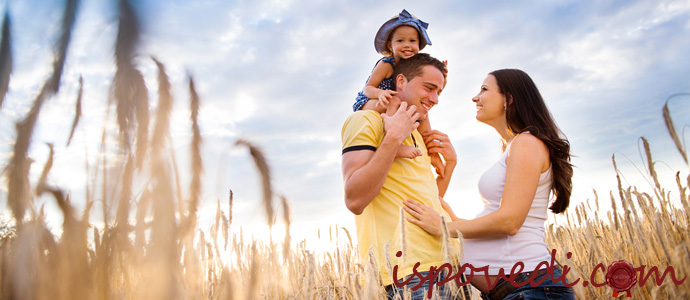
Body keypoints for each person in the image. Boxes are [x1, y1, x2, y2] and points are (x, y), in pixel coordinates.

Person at [403, 69, 575, 299]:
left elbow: (510, 222)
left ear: (509, 99)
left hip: (531, 288)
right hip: (517, 290)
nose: (475, 97)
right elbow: (500, 221)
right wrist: (451, 170)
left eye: (484, 89)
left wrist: (444, 228)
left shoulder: (526, 143)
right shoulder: (514, 146)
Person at [342, 53, 463, 299]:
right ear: (400, 82)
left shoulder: (416, 132)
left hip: (452, 268)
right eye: (429, 88)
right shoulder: (365, 120)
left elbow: (428, 199)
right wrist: (393, 138)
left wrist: (449, 166)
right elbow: (354, 199)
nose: (435, 99)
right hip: (411, 276)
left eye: (439, 91)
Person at [353, 9, 447, 177]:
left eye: (412, 41)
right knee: (395, 101)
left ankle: (433, 154)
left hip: (392, 101)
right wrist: (380, 94)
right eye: (400, 41)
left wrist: (440, 80)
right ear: (390, 45)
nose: (407, 45)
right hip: (370, 101)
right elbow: (367, 88)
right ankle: (394, 145)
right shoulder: (386, 64)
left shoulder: (412, 67)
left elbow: (419, 91)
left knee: (423, 114)